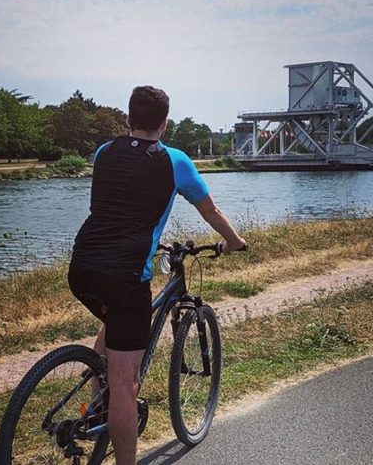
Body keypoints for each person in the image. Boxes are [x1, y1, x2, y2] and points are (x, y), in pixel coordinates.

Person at [68, 85, 247, 465]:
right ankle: (116, 421)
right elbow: (211, 211)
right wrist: (234, 242)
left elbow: (113, 204)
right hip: (125, 274)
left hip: (81, 266)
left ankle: (96, 405)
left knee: (115, 327)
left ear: (128, 118)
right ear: (165, 123)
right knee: (126, 384)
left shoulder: (103, 152)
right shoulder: (175, 161)